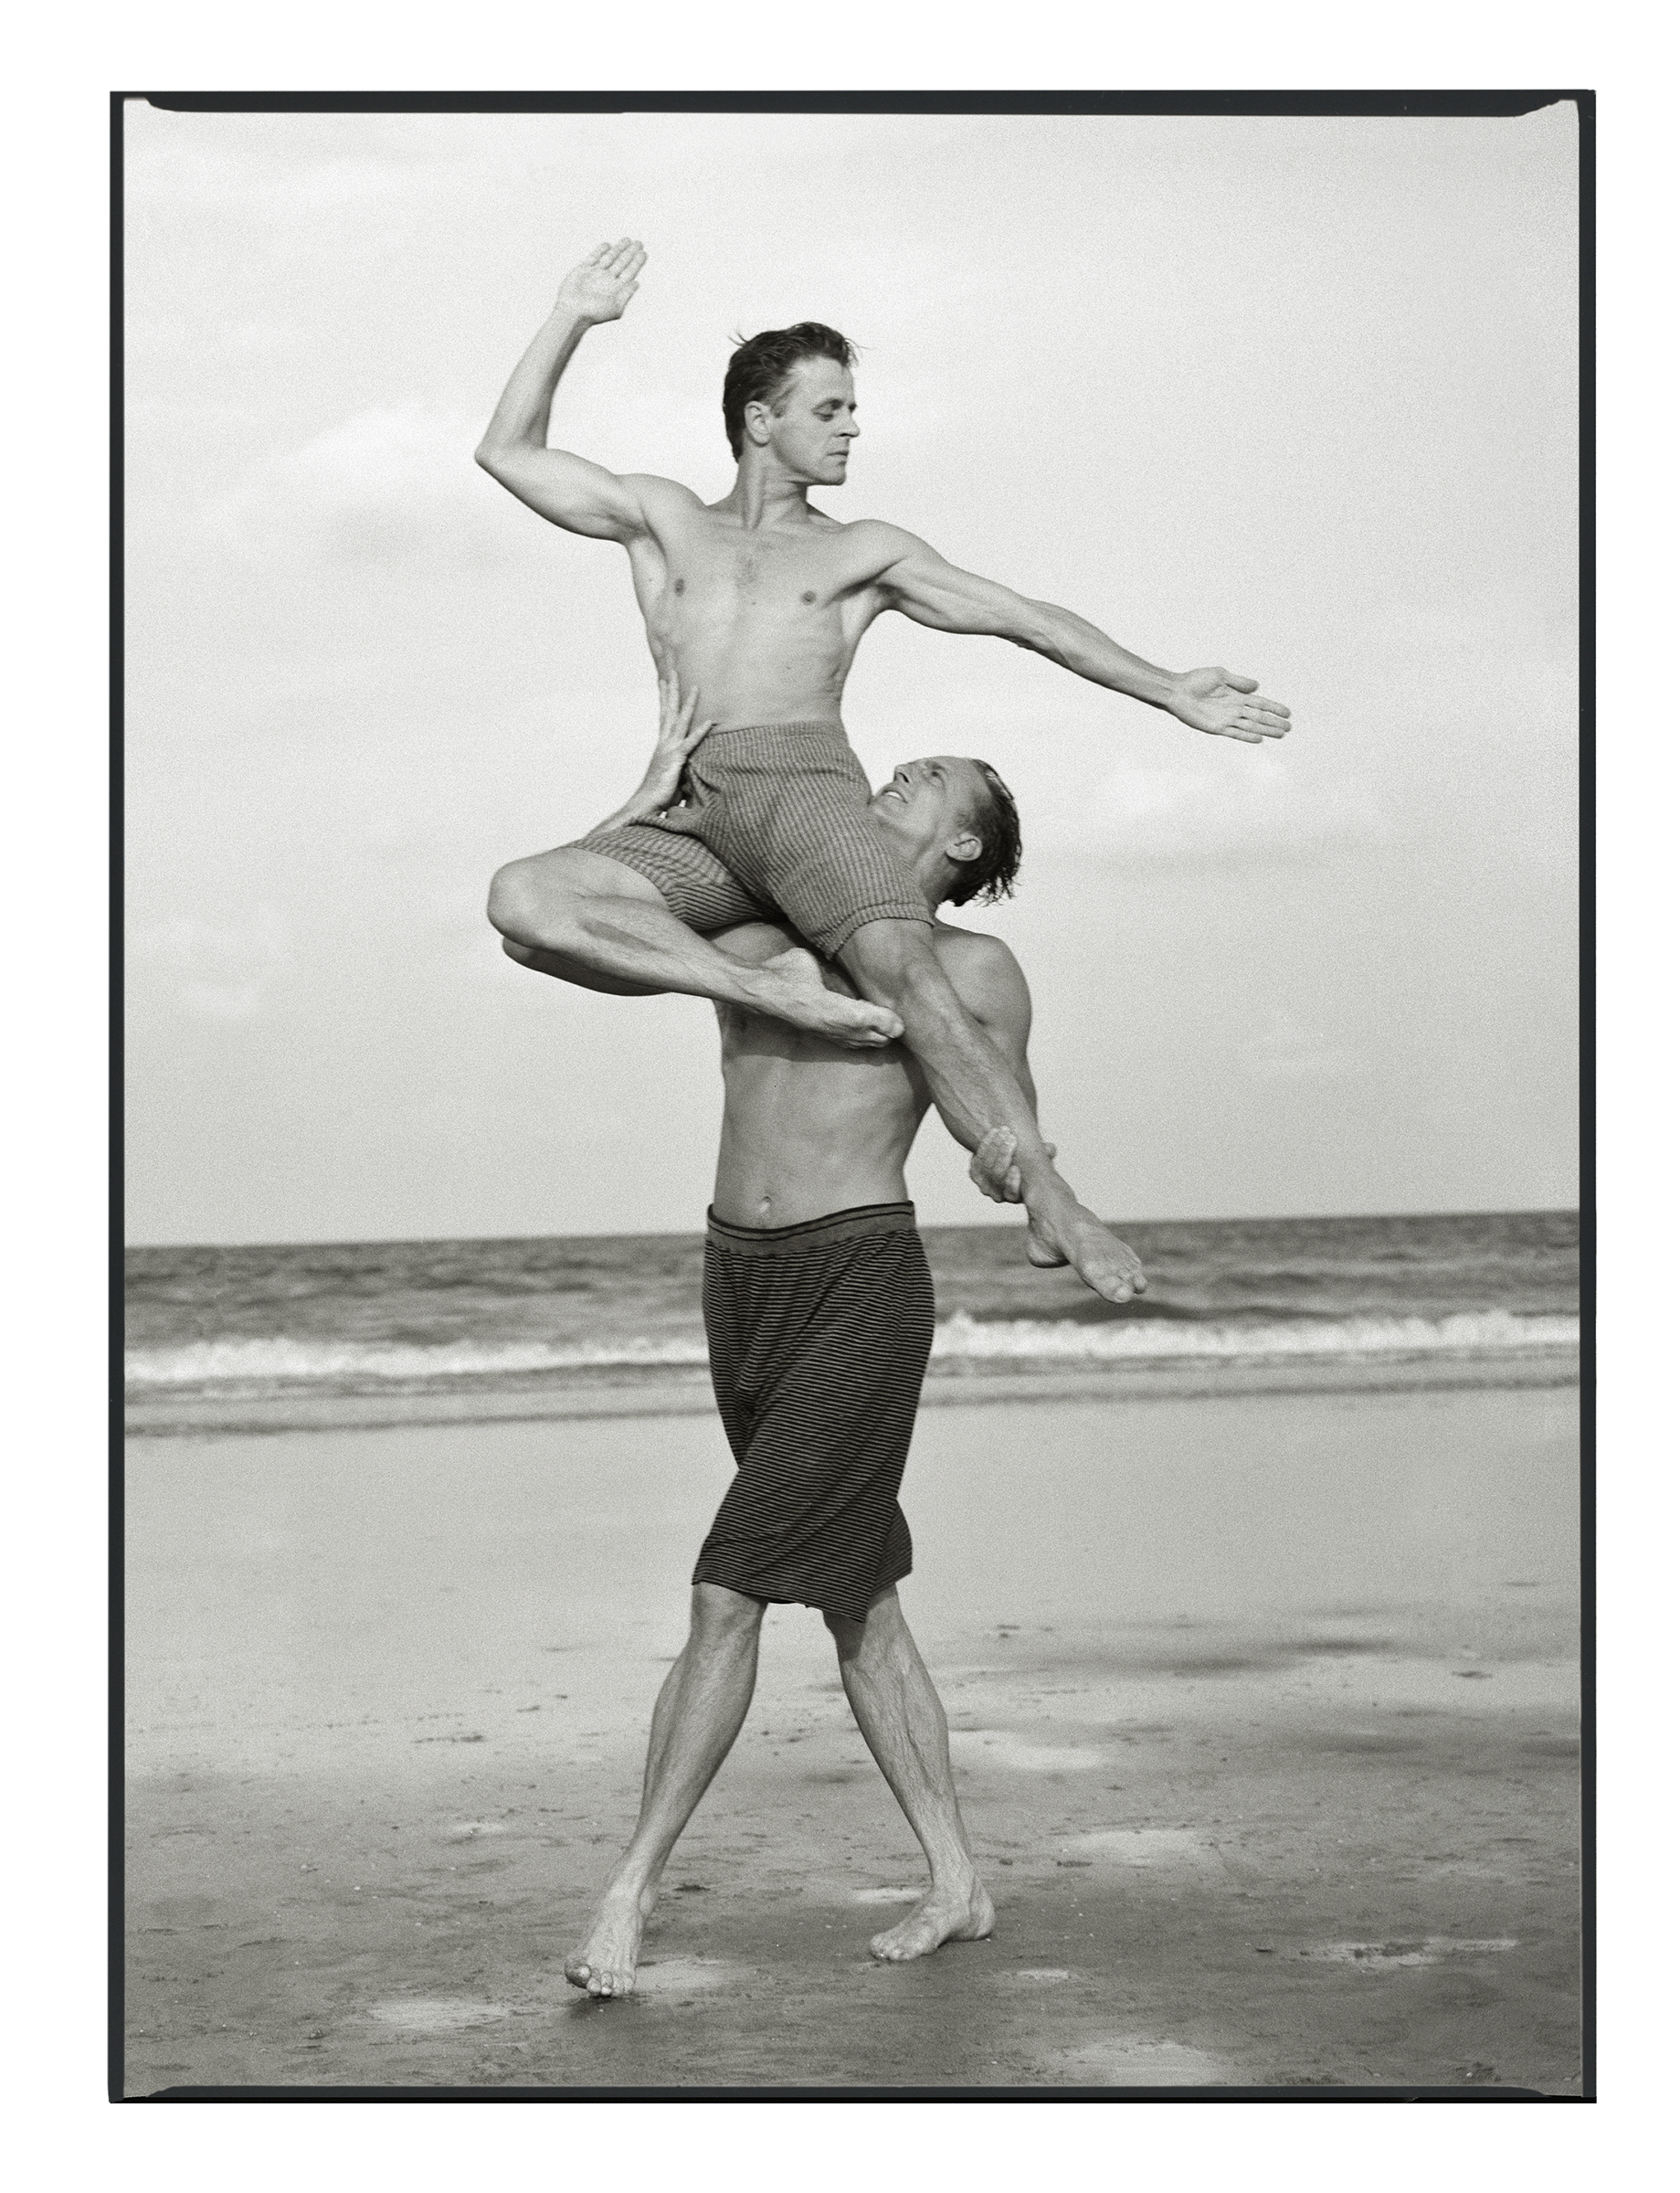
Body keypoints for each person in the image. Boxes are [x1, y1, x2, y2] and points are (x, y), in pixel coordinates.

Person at [477, 240, 1289, 1308]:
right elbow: (508, 450)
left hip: (804, 787)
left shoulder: (864, 551)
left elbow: (1027, 620)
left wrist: (1166, 686)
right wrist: (570, 317)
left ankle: (1049, 1193)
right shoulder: (662, 518)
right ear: (761, 420)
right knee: (525, 901)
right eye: (830, 409)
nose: (854, 426)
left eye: (854, 408)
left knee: (908, 972)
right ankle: (758, 985)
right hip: (692, 802)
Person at [503, 694, 1087, 1996]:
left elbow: (1005, 1133)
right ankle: (957, 1878)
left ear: (958, 848)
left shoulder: (968, 973)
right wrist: (647, 794)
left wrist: (1023, 1177)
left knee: (729, 1586)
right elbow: (562, 918)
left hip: (859, 1282)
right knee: (856, 1600)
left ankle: (627, 1893)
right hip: (738, 1279)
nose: (901, 771)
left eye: (932, 779)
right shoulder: (759, 924)